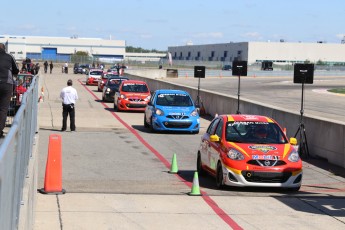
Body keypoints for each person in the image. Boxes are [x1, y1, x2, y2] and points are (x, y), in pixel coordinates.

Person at [0, 43, 19, 138]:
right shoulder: (9, 56)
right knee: (3, 109)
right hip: (6, 84)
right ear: (5, 49)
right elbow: (16, 70)